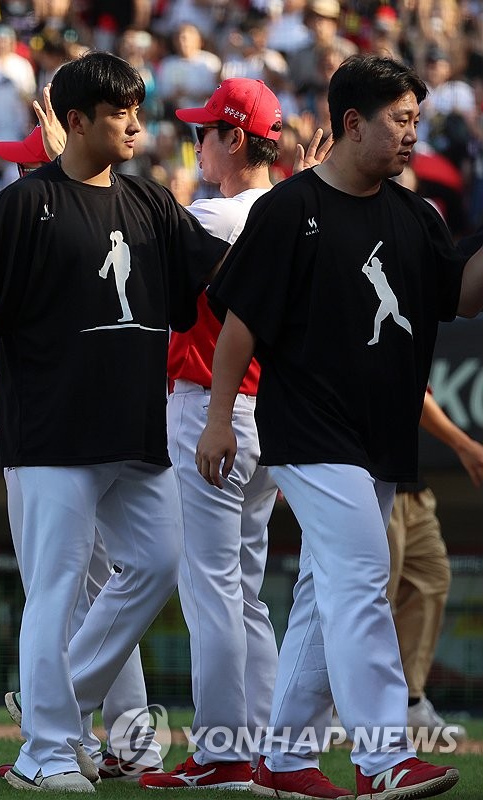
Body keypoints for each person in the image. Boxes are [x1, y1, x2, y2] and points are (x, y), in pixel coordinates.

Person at [0, 52, 226, 793]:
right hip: (52, 432)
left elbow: (225, 274)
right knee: (56, 592)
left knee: (158, 564)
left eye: (137, 106)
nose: (135, 122)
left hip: (135, 431)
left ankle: (50, 709)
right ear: (76, 122)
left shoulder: (153, 202)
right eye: (119, 111)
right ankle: (47, 751)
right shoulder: (22, 204)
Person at [196, 54, 482, 799]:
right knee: (360, 579)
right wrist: (219, 421)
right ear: (353, 123)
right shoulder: (287, 208)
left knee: (330, 596)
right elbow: (237, 328)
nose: (413, 133)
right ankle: (384, 755)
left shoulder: (418, 214)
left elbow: (465, 297)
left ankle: (284, 760)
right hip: (308, 430)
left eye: (417, 119)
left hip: (380, 436)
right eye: (400, 119)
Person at [0, 107, 165, 784]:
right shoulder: (27, 218)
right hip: (54, 429)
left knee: (87, 587)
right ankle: (125, 741)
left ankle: (69, 723)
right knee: (98, 590)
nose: (23, 165)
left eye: (31, 158)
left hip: (67, 430)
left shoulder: (47, 211)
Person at [142, 77, 287, 791]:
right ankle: (260, 744)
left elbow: (147, 250)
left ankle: (223, 750)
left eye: (206, 131)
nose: (198, 142)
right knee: (248, 591)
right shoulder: (289, 208)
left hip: (213, 408)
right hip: (270, 414)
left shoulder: (220, 215)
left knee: (213, 590)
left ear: (234, 138)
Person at [392, 392, 481, 741]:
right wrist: (464, 444)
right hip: (368, 478)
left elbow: (415, 393)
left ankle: (410, 703)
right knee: (370, 597)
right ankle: (341, 708)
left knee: (431, 577)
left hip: (411, 481)